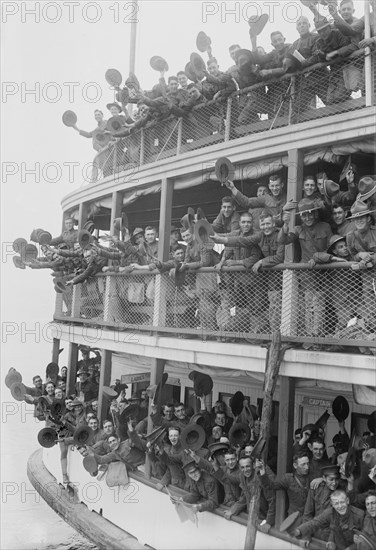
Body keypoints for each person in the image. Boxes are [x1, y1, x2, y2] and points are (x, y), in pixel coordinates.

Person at [280, 198, 332, 344]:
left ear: (315, 214)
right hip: (307, 274)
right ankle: (310, 337)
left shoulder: (325, 226)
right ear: (301, 217)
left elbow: (332, 247)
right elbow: (283, 240)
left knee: (321, 305)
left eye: (310, 214)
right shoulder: (298, 229)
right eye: (304, 215)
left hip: (324, 272)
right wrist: (284, 223)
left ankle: (318, 337)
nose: (307, 217)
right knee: (309, 305)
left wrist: (319, 258)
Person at [295, 489, 364, 549]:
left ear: (347, 501)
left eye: (342, 502)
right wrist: (299, 531)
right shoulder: (329, 513)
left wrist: (360, 540)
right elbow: (315, 523)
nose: (340, 506)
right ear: (332, 505)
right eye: (336, 503)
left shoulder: (360, 515)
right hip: (339, 547)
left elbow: (369, 537)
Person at [346, 200, 376, 331]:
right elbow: (352, 255)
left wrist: (370, 258)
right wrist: (361, 255)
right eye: (356, 218)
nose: (359, 220)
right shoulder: (350, 236)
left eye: (361, 217)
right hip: (367, 277)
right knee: (370, 308)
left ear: (368, 218)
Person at [224, 457, 275, 530]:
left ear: (253, 465)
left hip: (264, 518)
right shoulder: (242, 476)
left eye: (247, 466)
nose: (245, 470)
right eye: (242, 467)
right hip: (252, 516)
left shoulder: (261, 477)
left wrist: (269, 522)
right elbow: (244, 497)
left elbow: (272, 500)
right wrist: (233, 510)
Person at [156, 426, 186, 490]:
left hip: (184, 486)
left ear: (180, 436)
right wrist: (163, 482)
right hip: (175, 484)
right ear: (169, 437)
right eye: (171, 436)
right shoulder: (170, 449)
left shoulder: (184, 450)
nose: (173, 438)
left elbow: (172, 461)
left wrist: (162, 452)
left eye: (175, 435)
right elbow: (170, 469)